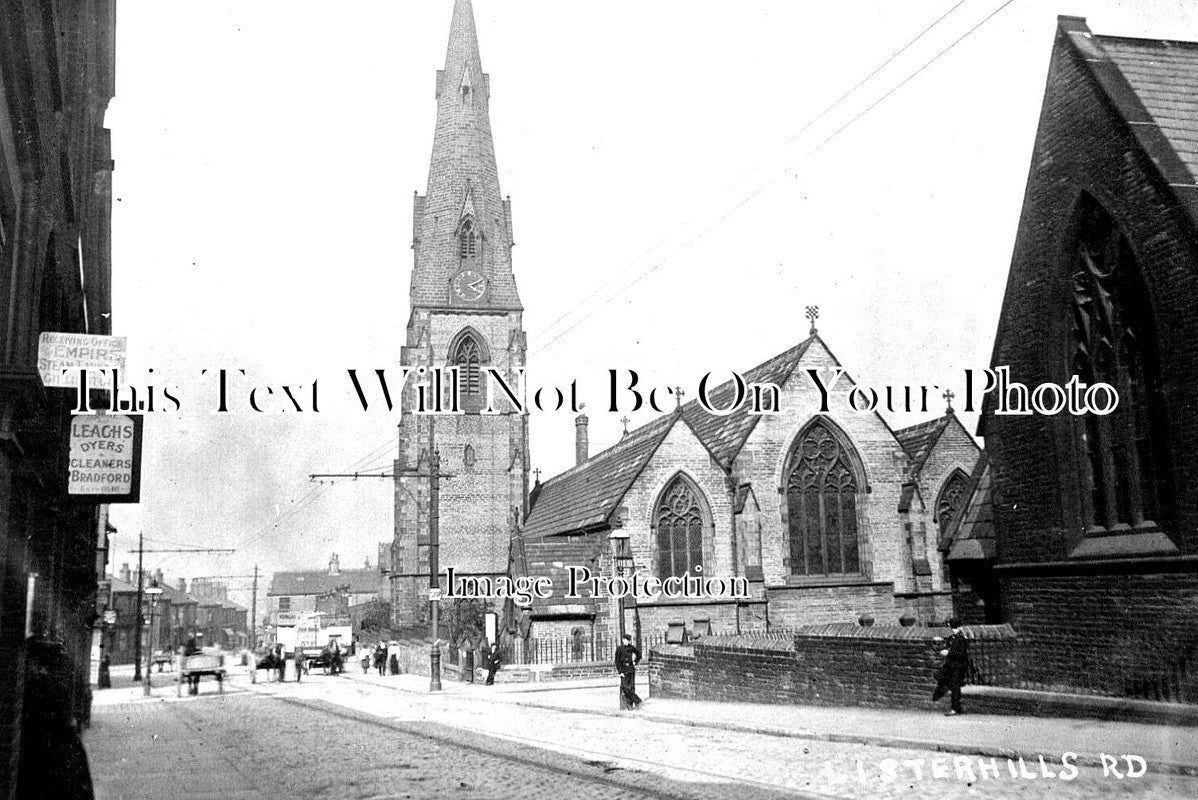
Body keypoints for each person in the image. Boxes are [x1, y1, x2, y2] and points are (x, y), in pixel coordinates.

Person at [932, 619, 971, 715]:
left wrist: (948, 653)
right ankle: (954, 704)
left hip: (958, 666)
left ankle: (955, 708)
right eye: (952, 627)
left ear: (960, 627)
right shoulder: (951, 638)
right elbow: (947, 647)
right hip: (950, 665)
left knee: (955, 686)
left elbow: (962, 655)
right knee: (942, 679)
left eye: (955, 627)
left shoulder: (962, 639)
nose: (953, 629)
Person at [614, 633, 642, 710]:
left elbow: (639, 654)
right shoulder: (619, 649)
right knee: (625, 688)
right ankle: (638, 700)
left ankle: (630, 705)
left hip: (631, 669)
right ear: (623, 640)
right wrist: (620, 672)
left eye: (628, 640)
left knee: (631, 687)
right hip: (624, 670)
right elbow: (617, 661)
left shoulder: (631, 648)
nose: (627, 642)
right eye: (626, 640)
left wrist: (635, 662)